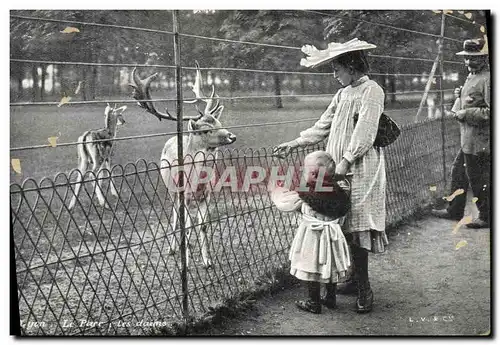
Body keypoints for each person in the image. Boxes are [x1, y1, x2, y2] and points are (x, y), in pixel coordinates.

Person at [273, 38, 388, 313]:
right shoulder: (343, 93)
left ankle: (364, 289)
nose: (334, 74)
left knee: (357, 224)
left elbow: (366, 131)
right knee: (336, 224)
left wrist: (347, 161)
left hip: (359, 167)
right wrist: (295, 143)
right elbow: (323, 125)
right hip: (336, 166)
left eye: (337, 68)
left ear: (351, 66)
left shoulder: (371, 91)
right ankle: (347, 278)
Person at [271, 151, 351, 314]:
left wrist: (276, 191)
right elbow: (342, 210)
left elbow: (285, 204)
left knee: (311, 268)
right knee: (331, 265)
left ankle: (313, 302)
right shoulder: (339, 192)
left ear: (315, 174)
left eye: (305, 170)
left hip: (312, 238)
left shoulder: (305, 194)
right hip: (333, 237)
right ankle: (330, 297)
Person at [431, 38, 490, 228]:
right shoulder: (472, 77)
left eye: (473, 58)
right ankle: (454, 210)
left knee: (478, 178)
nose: (468, 62)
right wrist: (461, 96)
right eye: (466, 58)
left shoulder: (488, 79)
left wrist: (465, 113)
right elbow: (474, 99)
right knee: (458, 172)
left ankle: (487, 216)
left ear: (484, 58)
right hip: (468, 138)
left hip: (481, 140)